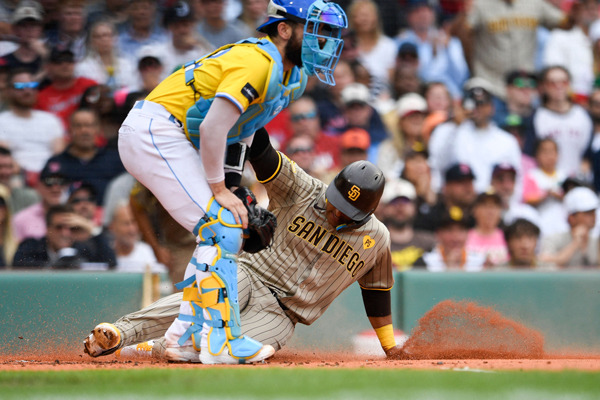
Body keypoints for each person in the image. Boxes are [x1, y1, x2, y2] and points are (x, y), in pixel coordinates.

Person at [116, 0, 348, 365]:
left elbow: (241, 131)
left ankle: (185, 336)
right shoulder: (259, 62)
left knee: (227, 226)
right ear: (284, 29)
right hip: (155, 130)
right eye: (317, 30)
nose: (326, 42)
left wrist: (233, 184)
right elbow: (212, 128)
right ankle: (220, 339)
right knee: (222, 226)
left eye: (331, 35)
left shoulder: (294, 77)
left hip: (173, 136)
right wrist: (219, 189)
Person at [83, 129, 406, 363]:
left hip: (282, 313)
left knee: (218, 350)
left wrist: (389, 346)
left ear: (368, 211)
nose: (336, 210)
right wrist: (249, 118)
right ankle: (121, 331)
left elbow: (376, 292)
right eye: (335, 202)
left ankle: (136, 349)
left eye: (345, 211)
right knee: (199, 300)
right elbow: (264, 156)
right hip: (248, 275)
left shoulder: (376, 239)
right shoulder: (306, 189)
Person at [42, 108, 125, 205]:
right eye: (78, 126)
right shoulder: (56, 164)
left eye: (89, 125)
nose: (84, 131)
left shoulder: (115, 160)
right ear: (69, 130)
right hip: (69, 217)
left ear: (98, 129)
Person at [0, 69, 65, 184]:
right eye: (20, 86)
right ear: (9, 91)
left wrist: (45, 176)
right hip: (16, 177)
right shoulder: (2, 121)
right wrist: (30, 177)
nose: (27, 91)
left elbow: (58, 154)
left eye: (32, 85)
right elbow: (5, 157)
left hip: (51, 178)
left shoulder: (51, 120)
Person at [532, 66, 592, 177]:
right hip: (547, 181)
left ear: (569, 85)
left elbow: (589, 151)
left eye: (563, 82)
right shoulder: (536, 117)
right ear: (544, 87)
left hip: (578, 179)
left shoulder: (583, 115)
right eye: (552, 83)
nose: (558, 86)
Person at [376, 177, 435, 271]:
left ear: (415, 207)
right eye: (393, 202)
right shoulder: (374, 245)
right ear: (384, 208)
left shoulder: (430, 243)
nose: (400, 207)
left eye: (405, 201)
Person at [12, 204, 94, 268]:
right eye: (59, 227)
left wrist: (90, 230)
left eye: (71, 228)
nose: (65, 233)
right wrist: (56, 266)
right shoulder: (31, 246)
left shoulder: (84, 248)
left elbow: (105, 263)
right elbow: (18, 266)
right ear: (48, 229)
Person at [35, 48, 98, 129]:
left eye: (69, 61)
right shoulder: (40, 97)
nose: (65, 65)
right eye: (58, 62)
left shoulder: (89, 84)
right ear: (47, 67)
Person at [12, 157, 70, 242]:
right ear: (38, 186)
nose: (55, 188)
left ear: (67, 186)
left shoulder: (76, 216)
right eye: (49, 182)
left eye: (61, 182)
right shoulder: (21, 219)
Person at [540, 186, 599, 268]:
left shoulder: (596, 241)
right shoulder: (553, 239)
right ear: (571, 217)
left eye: (593, 212)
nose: (593, 216)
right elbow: (543, 264)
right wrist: (575, 243)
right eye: (587, 213)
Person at [109, 200, 167, 274]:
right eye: (126, 224)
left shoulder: (146, 252)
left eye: (134, 222)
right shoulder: (105, 253)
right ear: (113, 226)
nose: (132, 229)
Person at [465, 191, 509, 267]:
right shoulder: (464, 237)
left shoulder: (508, 237)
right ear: (474, 210)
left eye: (494, 206)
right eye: (485, 206)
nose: (490, 212)